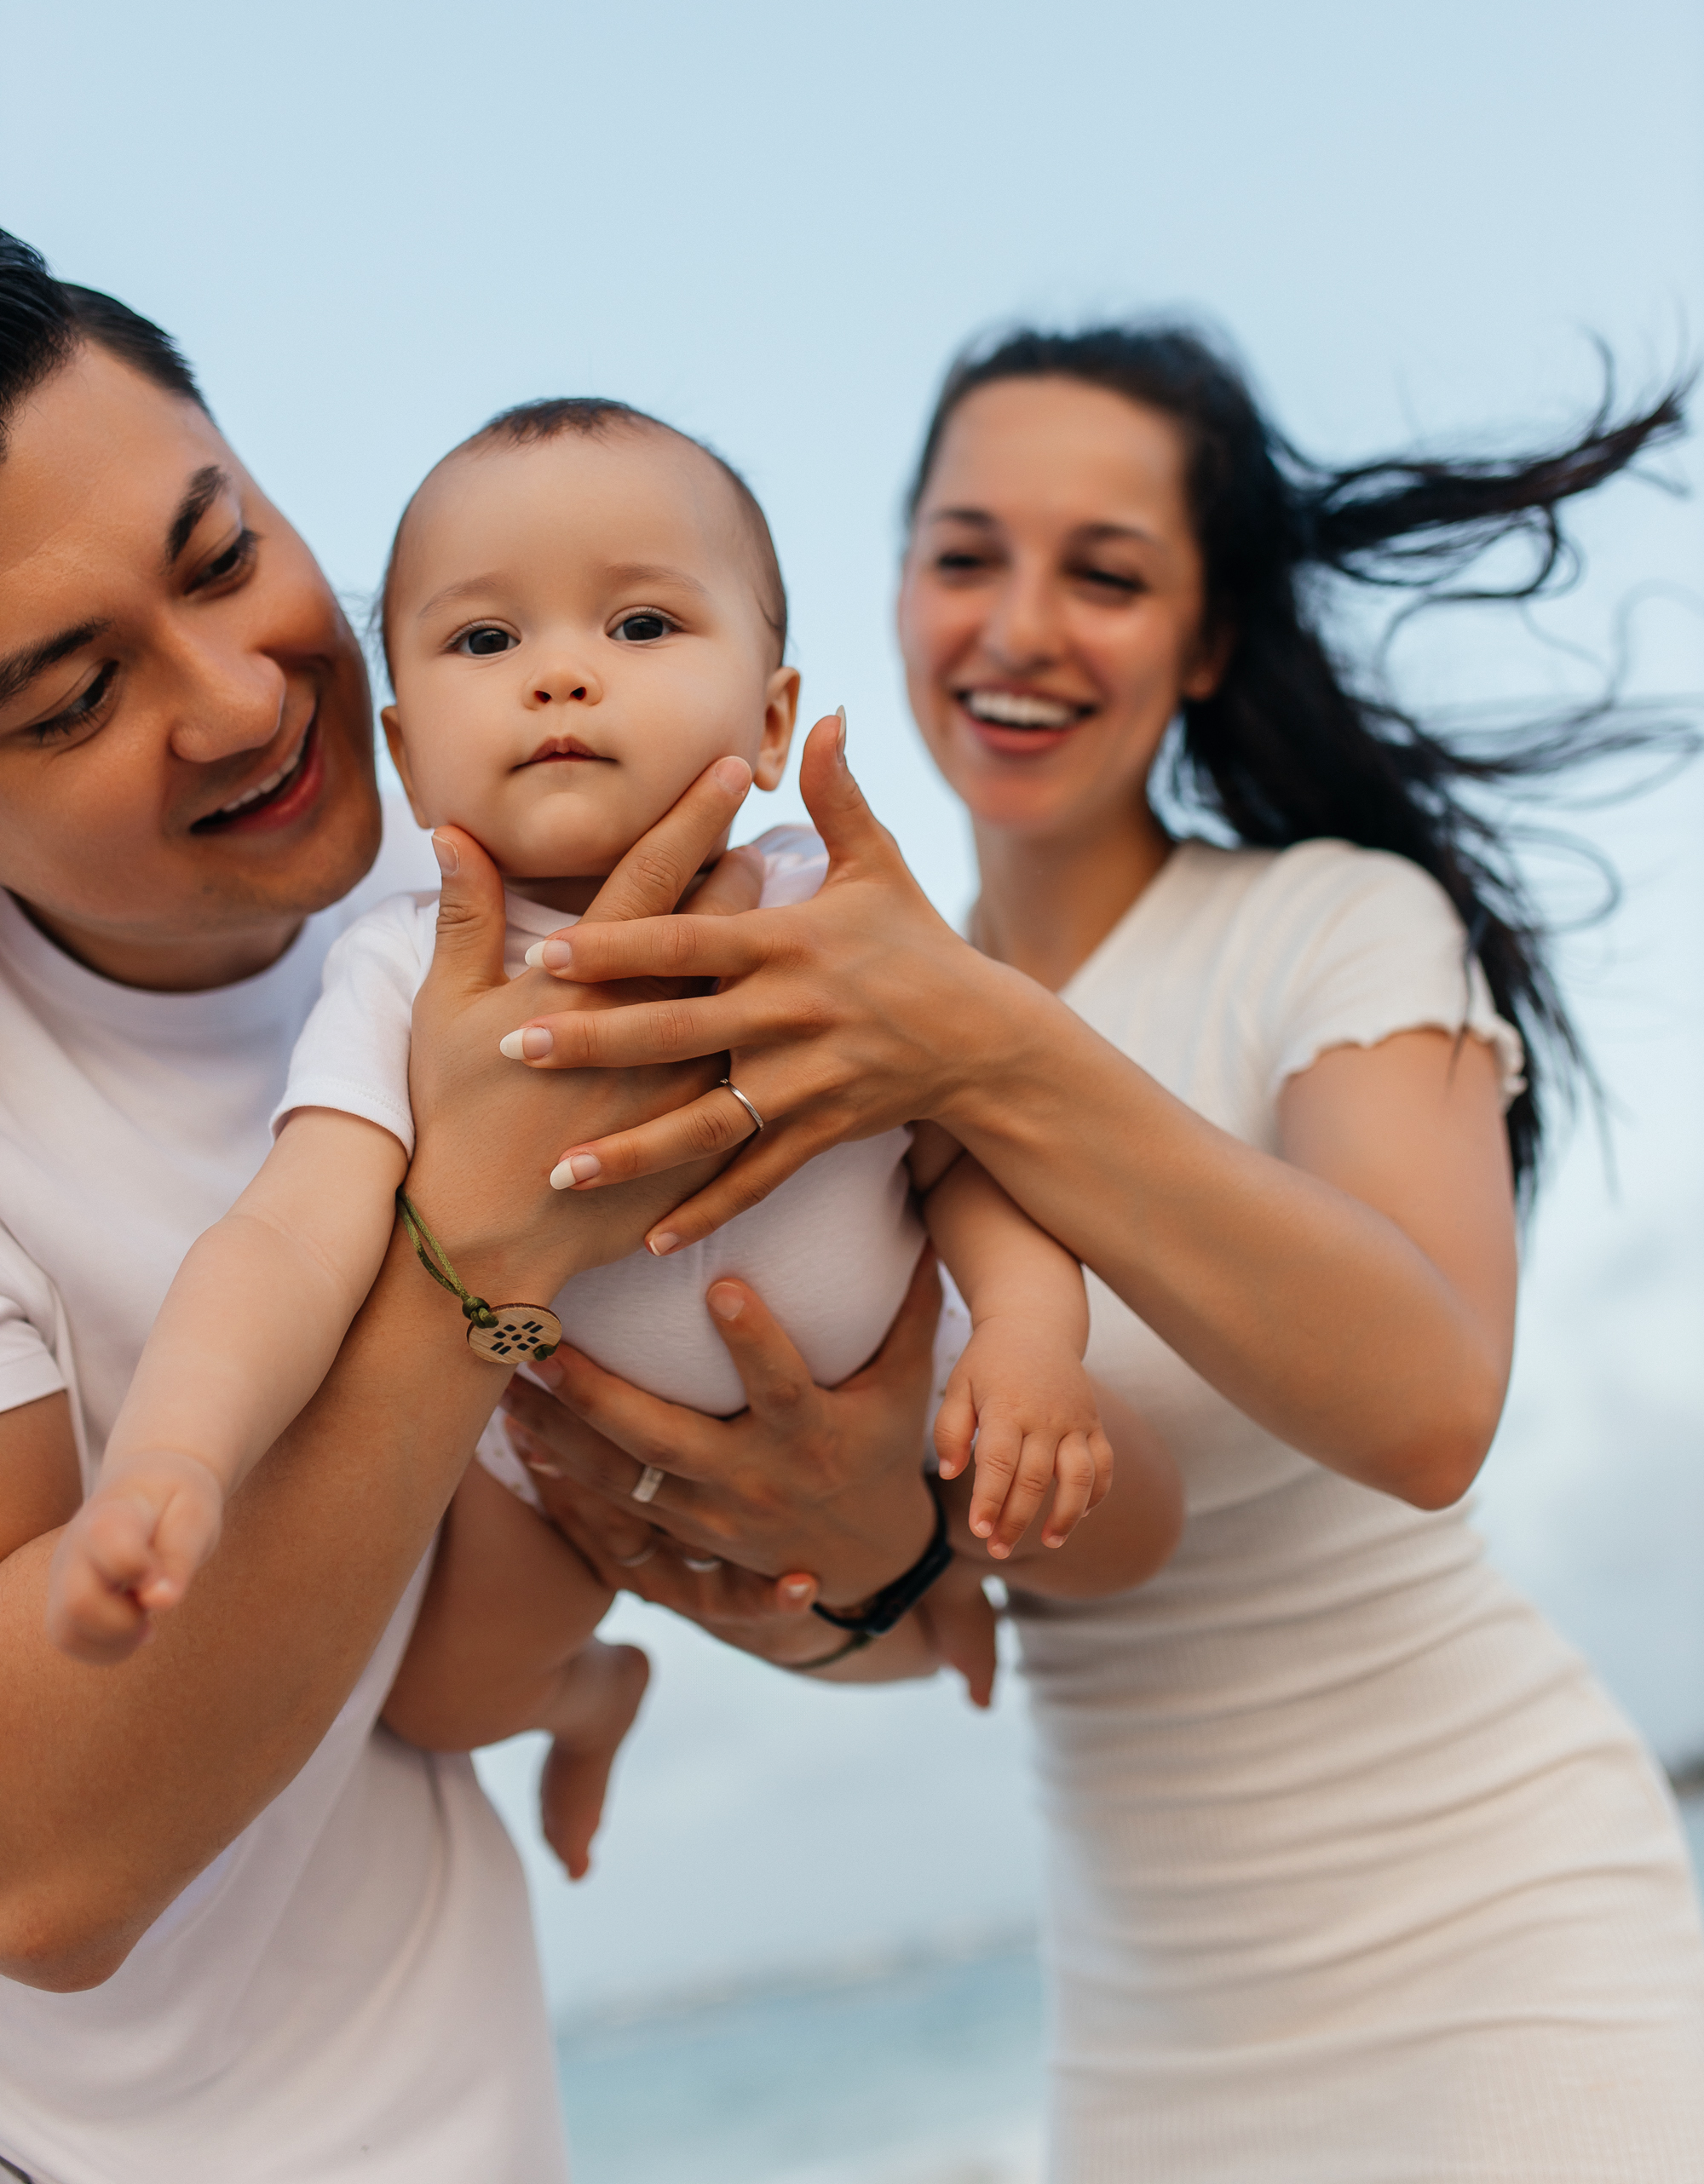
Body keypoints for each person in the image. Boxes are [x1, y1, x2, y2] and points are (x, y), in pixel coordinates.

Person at [492, 325, 1704, 2179]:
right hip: (1153, 2022)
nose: (1020, 624)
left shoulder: (1329, 925)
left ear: (1203, 641)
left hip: (1504, 1944)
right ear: (896, 584)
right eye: (967, 554)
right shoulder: (817, 1010)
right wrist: (799, 1553)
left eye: (1108, 573)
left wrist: (981, 1039)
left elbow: (1431, 1402)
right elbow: (961, 1629)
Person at [0, 233, 959, 2184]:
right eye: (70, 693)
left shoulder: (493, 891)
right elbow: (40, 1864)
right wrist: (482, 1265)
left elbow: (926, 1626)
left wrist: (869, 1547)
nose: (234, 699)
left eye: (217, 555)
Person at [47, 391, 1173, 1744]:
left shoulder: (829, 915)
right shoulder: (409, 972)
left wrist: (1031, 1335)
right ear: (405, 754)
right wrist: (175, 1457)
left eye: (640, 626)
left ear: (771, 720)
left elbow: (967, 1149)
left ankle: (912, 1614)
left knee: (1085, 1520)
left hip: (897, 1367)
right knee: (448, 1703)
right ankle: (597, 1694)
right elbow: (286, 1238)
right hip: (555, 1452)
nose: (561, 675)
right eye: (484, 637)